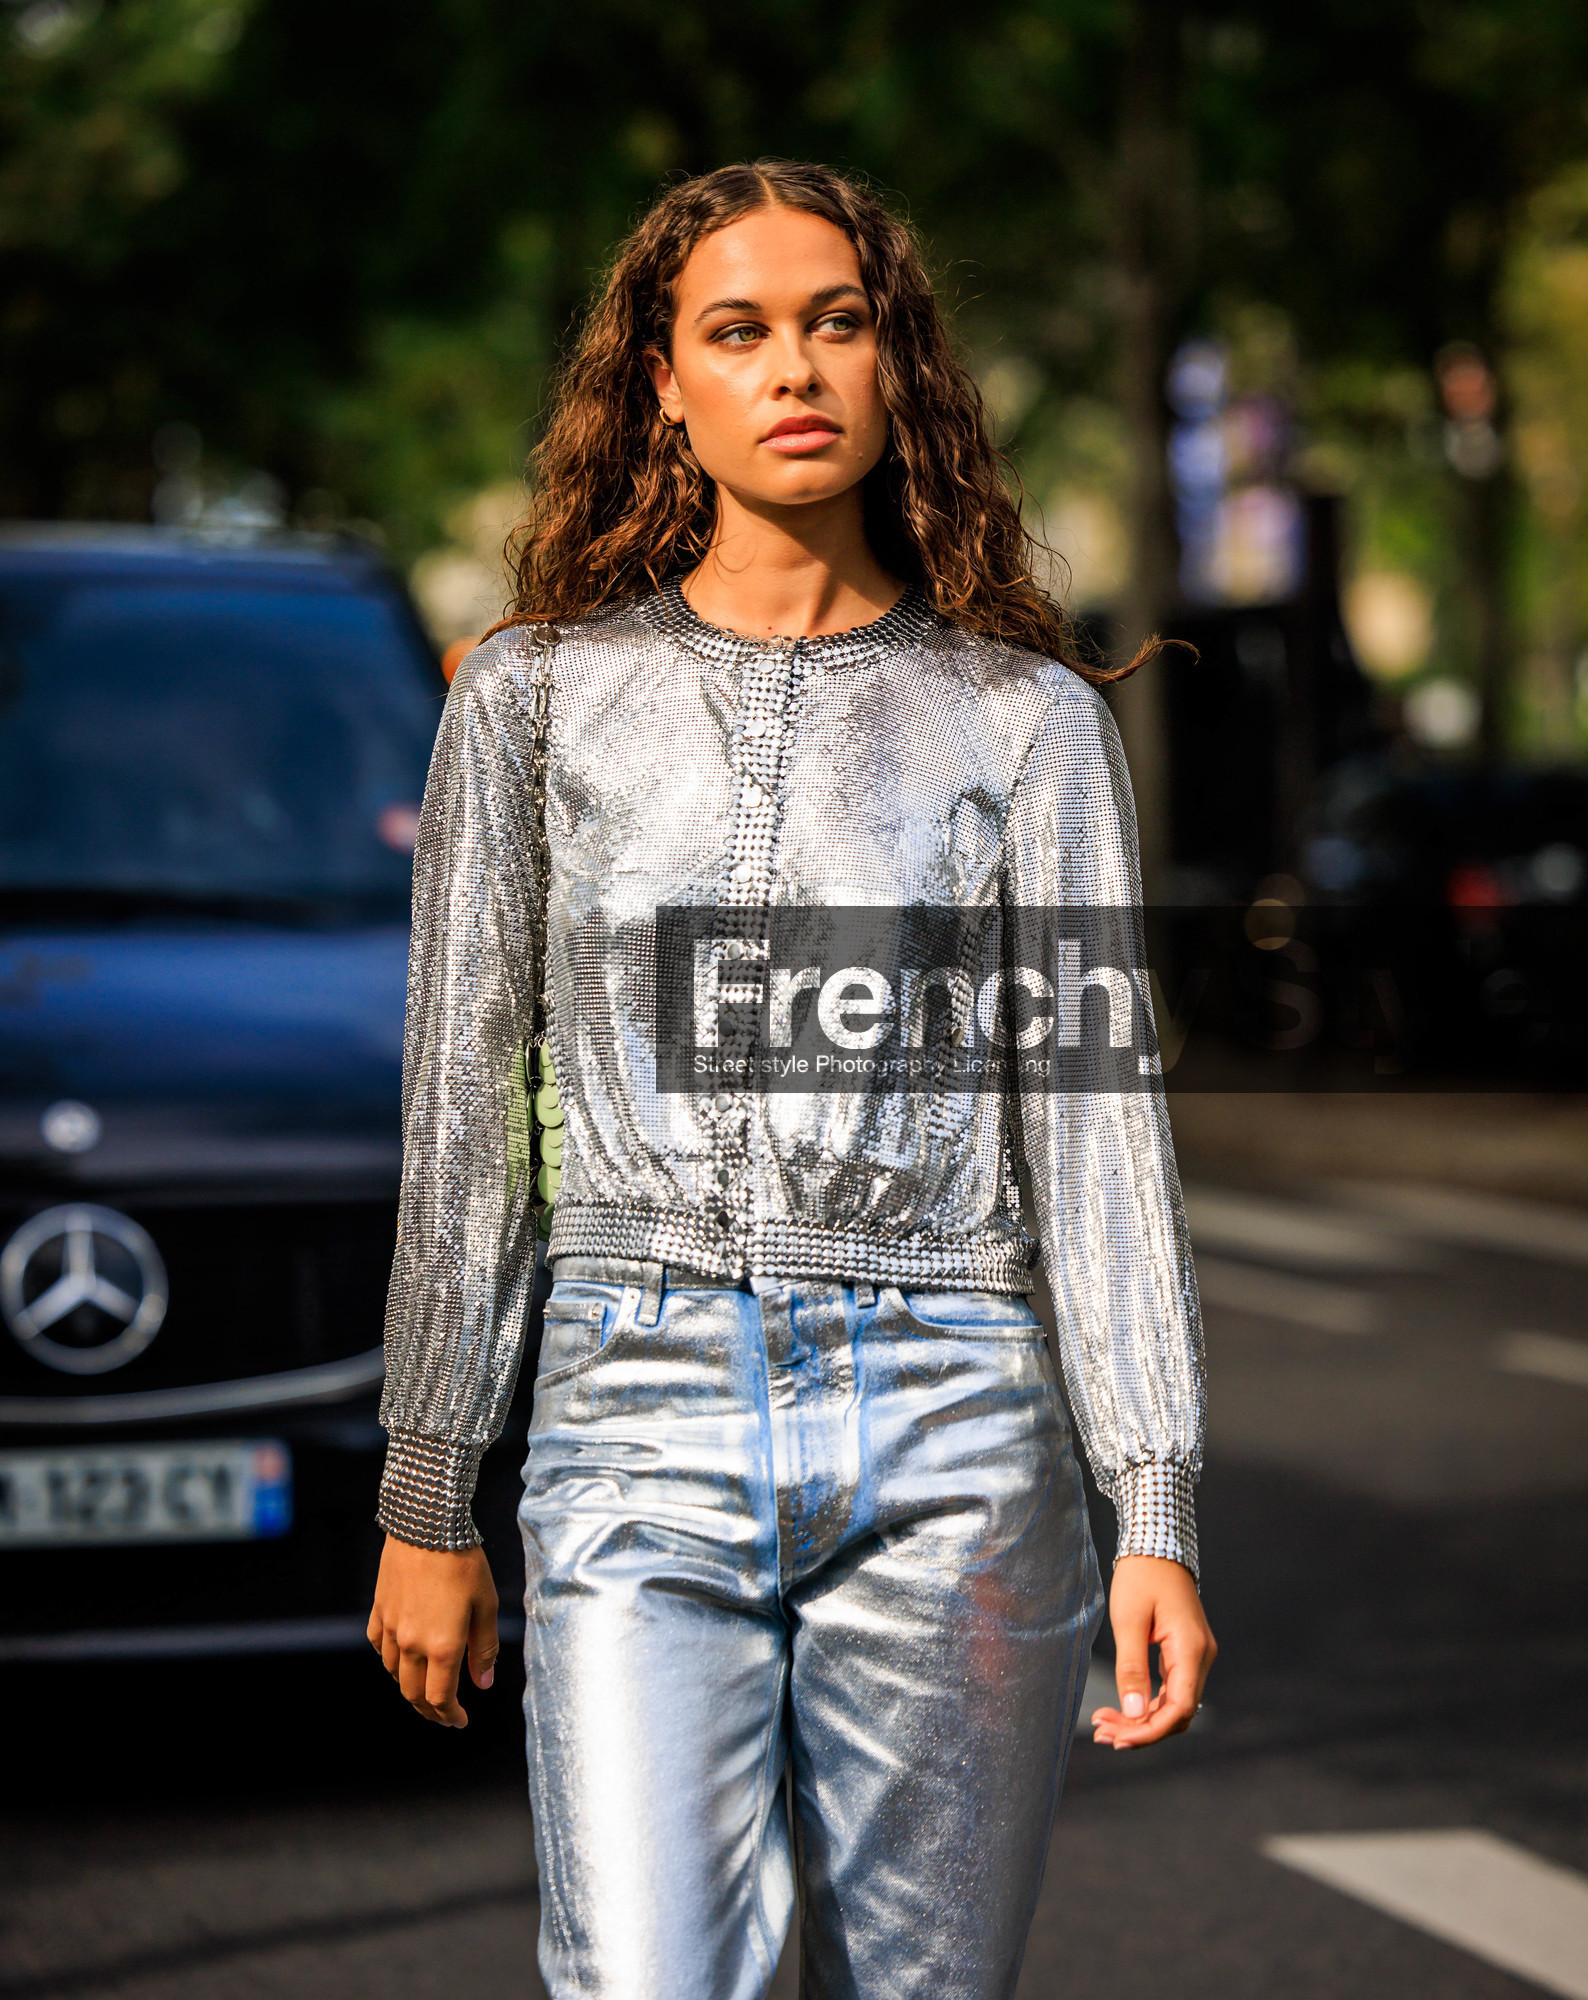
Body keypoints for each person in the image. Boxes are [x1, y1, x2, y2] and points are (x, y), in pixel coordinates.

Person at [368, 158, 1215, 2000]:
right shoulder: (532, 699)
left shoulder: (1029, 720)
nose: (794, 369)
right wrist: (427, 1488)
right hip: (632, 1421)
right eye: (737, 333)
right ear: (663, 384)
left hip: (960, 1434)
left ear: (896, 360)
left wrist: (1154, 1503)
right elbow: (460, 1125)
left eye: (836, 323)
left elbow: (1096, 1140)